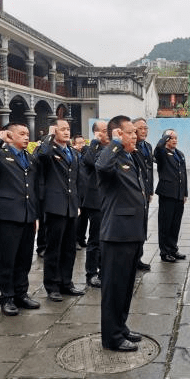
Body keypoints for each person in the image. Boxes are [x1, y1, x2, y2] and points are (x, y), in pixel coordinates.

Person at [96, 115, 148, 352]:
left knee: (126, 287)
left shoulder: (130, 156)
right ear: (118, 133)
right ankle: (112, 338)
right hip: (117, 235)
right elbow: (101, 166)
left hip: (132, 233)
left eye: (135, 132)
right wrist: (115, 143)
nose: (135, 135)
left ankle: (121, 327)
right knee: (114, 289)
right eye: (130, 132)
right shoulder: (111, 156)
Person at [0, 123, 42, 316]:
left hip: (27, 214)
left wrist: (36, 214)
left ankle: (21, 294)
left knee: (24, 258)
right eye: (22, 134)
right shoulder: (0, 154)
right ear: (10, 135)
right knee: (8, 258)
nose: (26, 137)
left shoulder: (29, 158)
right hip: (8, 214)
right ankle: (6, 297)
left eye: (27, 134)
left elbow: (33, 188)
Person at [35, 119, 84, 301]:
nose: (66, 132)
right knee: (54, 249)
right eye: (62, 129)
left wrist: (78, 203)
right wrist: (49, 136)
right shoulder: (49, 150)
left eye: (68, 129)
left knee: (69, 248)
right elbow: (41, 155)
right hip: (55, 206)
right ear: (54, 130)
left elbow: (76, 179)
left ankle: (66, 282)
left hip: (71, 205)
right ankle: (52, 285)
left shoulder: (71, 151)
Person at [81, 121, 109, 287]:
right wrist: (95, 142)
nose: (107, 134)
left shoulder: (112, 149)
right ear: (97, 133)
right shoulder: (90, 149)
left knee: (107, 239)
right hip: (96, 201)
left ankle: (104, 269)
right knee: (95, 240)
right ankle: (91, 273)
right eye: (104, 131)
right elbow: (90, 162)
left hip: (109, 201)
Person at [155, 128, 188, 261]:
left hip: (179, 194)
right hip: (167, 194)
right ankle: (165, 252)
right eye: (171, 138)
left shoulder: (179, 154)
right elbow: (157, 150)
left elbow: (184, 174)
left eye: (175, 138)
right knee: (165, 224)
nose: (174, 140)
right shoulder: (162, 153)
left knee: (175, 224)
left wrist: (185, 192)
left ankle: (173, 249)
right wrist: (165, 137)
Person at [133, 117, 153, 271]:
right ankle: (132, 258)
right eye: (141, 128)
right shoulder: (131, 148)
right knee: (134, 226)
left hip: (145, 191)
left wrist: (150, 190)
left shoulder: (148, 146)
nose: (144, 131)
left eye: (146, 128)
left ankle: (139, 257)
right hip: (134, 193)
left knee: (143, 226)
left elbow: (149, 171)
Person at [73, 135, 89, 248]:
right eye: (79, 143)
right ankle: (74, 240)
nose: (82, 145)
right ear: (73, 144)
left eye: (83, 142)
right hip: (76, 191)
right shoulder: (73, 155)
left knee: (84, 218)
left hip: (85, 191)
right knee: (77, 218)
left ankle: (82, 238)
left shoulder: (85, 155)